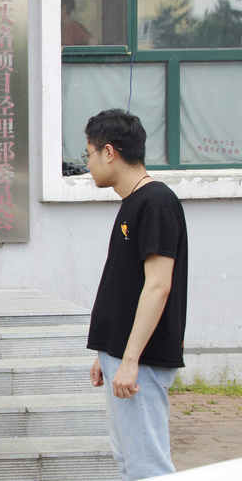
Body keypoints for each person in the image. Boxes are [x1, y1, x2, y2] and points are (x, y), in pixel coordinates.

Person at [83, 109, 188, 481]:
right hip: (123, 354)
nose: (87, 164)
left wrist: (129, 359)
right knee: (130, 461)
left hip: (141, 360)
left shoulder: (156, 202)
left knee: (148, 466)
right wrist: (107, 350)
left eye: (89, 154)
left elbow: (158, 285)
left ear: (109, 152)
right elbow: (124, 285)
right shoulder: (134, 201)